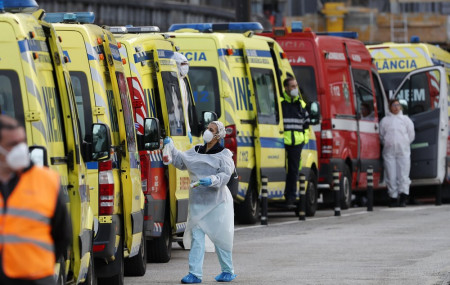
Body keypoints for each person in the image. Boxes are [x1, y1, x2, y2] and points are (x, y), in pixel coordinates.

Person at [0, 115, 72, 285]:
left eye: (22, 142)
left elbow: (63, 234)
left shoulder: (46, 181)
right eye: (13, 144)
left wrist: (39, 264)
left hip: (36, 278)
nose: (20, 150)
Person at [163, 121, 236, 284]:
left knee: (220, 237)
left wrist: (212, 180)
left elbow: (226, 175)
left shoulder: (223, 155)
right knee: (197, 237)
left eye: (212, 130)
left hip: (217, 203)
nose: (207, 131)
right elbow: (181, 161)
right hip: (197, 203)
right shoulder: (196, 151)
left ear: (218, 135)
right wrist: (170, 147)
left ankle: (227, 270)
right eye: (207, 129)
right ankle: (194, 273)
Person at [281, 77, 310, 209]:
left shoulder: (301, 104)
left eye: (296, 86)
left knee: (293, 170)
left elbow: (306, 125)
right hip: (282, 142)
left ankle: (290, 197)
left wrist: (304, 140)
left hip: (297, 143)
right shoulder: (281, 104)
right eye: (292, 86)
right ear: (286, 88)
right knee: (282, 169)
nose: (295, 89)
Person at [379, 99, 415, 207]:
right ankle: (393, 197)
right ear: (390, 107)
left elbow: (411, 135)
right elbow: (381, 136)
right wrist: (387, 143)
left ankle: (403, 197)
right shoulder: (385, 121)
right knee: (391, 175)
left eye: (398, 105)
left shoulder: (406, 120)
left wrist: (404, 143)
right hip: (389, 152)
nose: (396, 107)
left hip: (403, 151)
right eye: (394, 105)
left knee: (403, 174)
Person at [174, 52, 193, 144]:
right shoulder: (172, 83)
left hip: (182, 129)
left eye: (186, 64)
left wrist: (187, 128)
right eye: (182, 64)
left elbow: (184, 110)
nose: (185, 67)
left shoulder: (182, 81)